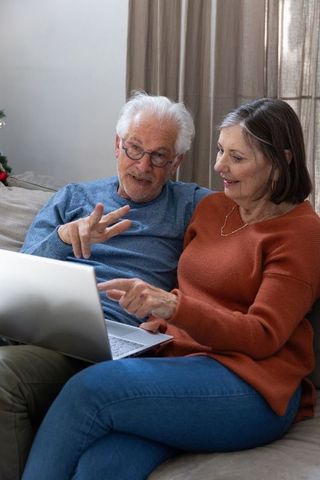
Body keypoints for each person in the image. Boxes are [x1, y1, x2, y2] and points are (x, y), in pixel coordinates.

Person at [22, 97, 320, 480]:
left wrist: (174, 309)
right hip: (181, 367)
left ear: (282, 161)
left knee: (89, 390)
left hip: (251, 386)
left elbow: (263, 335)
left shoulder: (303, 233)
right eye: (220, 151)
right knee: (100, 466)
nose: (219, 167)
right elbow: (195, 287)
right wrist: (160, 325)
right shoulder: (213, 209)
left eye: (237, 158)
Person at [0, 91, 210, 480]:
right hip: (42, 322)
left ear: (176, 161)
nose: (143, 166)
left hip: (108, 345)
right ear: (117, 144)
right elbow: (24, 272)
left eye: (159, 156)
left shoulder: (193, 205)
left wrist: (173, 310)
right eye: (134, 149)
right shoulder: (73, 198)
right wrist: (64, 238)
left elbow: (238, 251)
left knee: (3, 375)